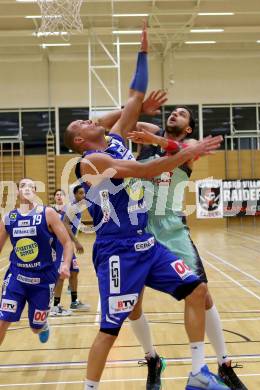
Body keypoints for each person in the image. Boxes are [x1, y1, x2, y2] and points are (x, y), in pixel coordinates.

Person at [64, 22, 227, 390]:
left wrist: (142, 52)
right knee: (110, 328)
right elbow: (146, 168)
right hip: (117, 251)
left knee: (197, 290)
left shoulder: (116, 140)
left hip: (146, 243)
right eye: (84, 122)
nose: (92, 120)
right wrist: (190, 151)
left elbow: (136, 96)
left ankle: (198, 374)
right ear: (79, 138)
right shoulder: (92, 163)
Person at [126, 106, 248, 390]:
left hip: (171, 229)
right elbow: (127, 120)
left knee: (201, 294)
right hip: (140, 228)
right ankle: (152, 359)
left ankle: (223, 363)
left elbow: (179, 149)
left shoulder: (189, 146)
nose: (175, 114)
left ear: (190, 127)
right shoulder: (152, 135)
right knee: (132, 304)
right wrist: (137, 107)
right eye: (173, 111)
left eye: (182, 114)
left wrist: (154, 141)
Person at [0, 178, 72, 345]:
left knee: (35, 327)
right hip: (17, 277)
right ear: (17, 192)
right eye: (23, 185)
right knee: (3, 321)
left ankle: (43, 325)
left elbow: (67, 242)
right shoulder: (9, 218)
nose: (27, 189)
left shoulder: (47, 213)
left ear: (35, 191)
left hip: (43, 279)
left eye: (31, 186)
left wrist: (66, 264)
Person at [50, 188, 90, 316]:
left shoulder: (75, 207)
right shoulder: (72, 207)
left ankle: (74, 301)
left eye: (84, 193)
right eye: (80, 193)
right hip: (62, 245)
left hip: (67, 245)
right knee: (62, 274)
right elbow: (65, 224)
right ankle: (55, 306)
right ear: (75, 195)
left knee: (74, 272)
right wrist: (76, 241)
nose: (83, 195)